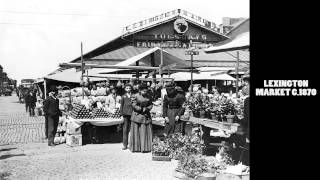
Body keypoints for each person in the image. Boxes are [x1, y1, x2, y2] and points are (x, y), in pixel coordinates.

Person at [129, 83, 153, 153]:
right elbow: (133, 104)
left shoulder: (148, 96)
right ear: (140, 90)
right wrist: (140, 109)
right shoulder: (135, 96)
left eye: (146, 91)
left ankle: (145, 147)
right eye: (143, 91)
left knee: (144, 131)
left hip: (145, 115)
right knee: (136, 131)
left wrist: (147, 108)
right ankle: (136, 147)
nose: (145, 93)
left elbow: (151, 104)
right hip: (137, 115)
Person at [120, 84, 133, 150]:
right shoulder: (123, 97)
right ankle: (125, 145)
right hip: (125, 115)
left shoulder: (133, 96)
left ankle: (132, 144)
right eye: (127, 88)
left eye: (129, 88)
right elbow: (121, 106)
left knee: (132, 129)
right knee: (125, 129)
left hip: (132, 114)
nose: (128, 89)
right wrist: (121, 114)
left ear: (131, 89)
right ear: (125, 89)